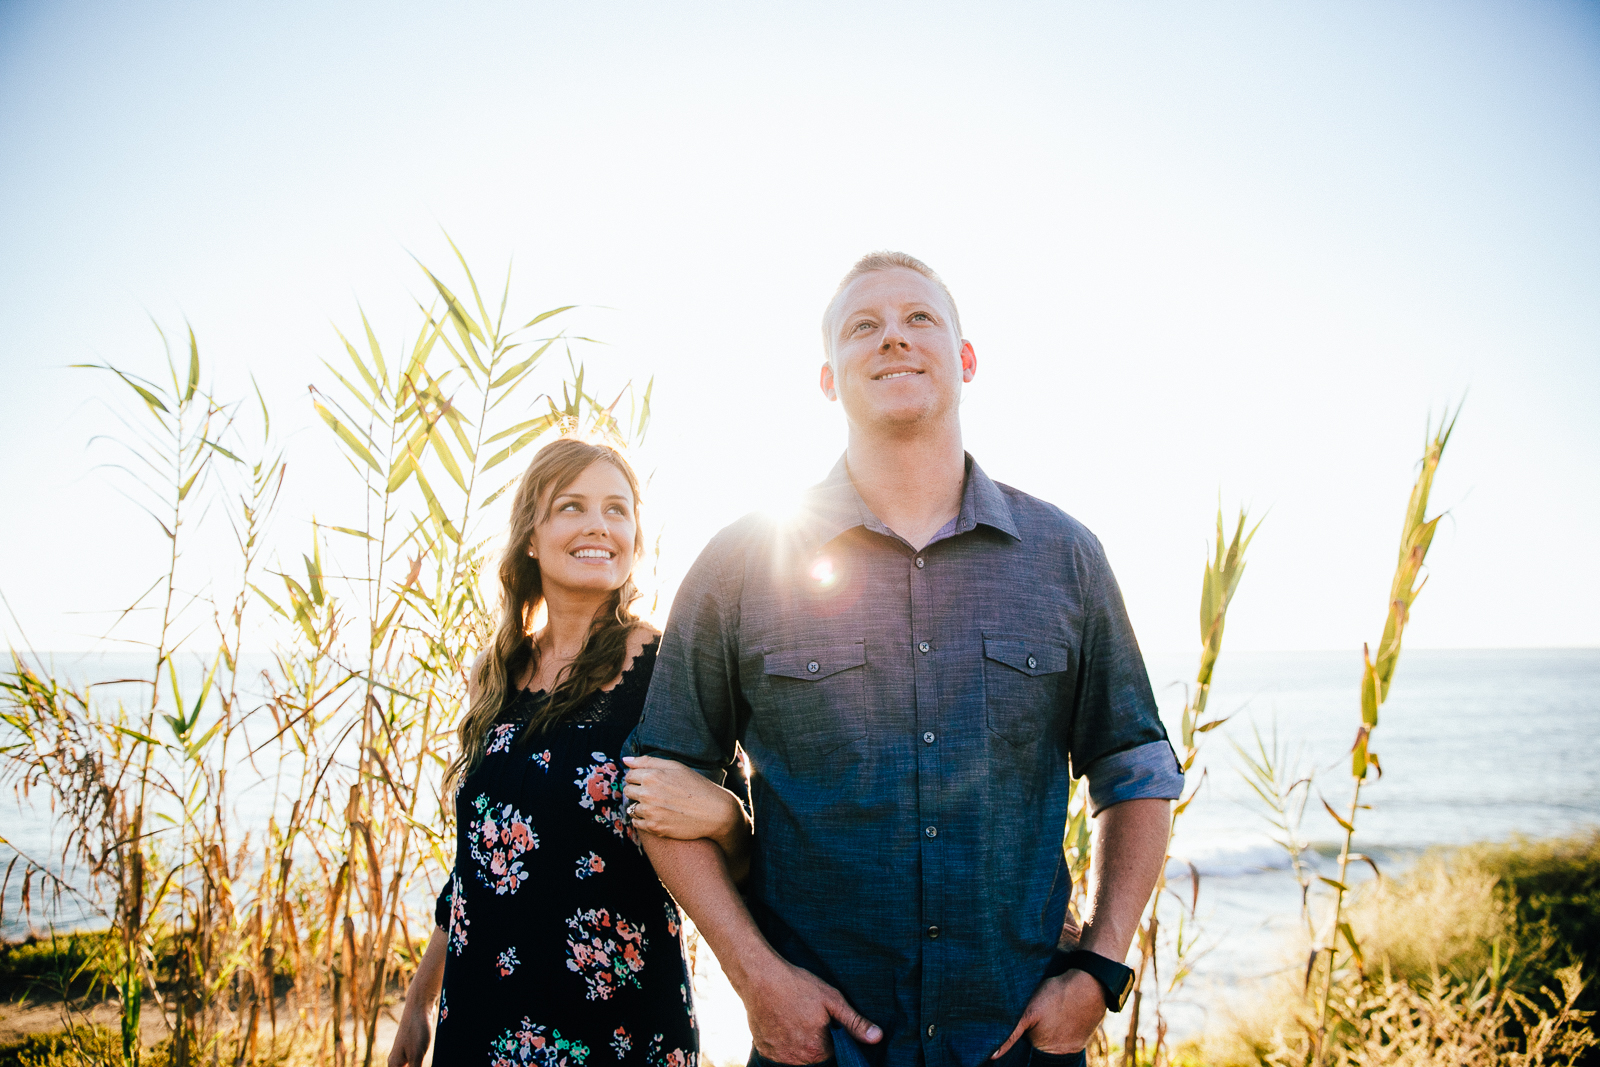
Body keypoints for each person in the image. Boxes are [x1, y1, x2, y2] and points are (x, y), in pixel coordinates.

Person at [623, 253, 1183, 1067]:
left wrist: (1100, 968)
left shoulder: (1066, 556)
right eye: (864, 327)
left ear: (965, 359)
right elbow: (661, 787)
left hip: (1018, 1042)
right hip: (815, 1051)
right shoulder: (743, 561)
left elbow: (1135, 772)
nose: (894, 338)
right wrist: (755, 980)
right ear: (827, 379)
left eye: (920, 318)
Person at [388, 437, 753, 1067]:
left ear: (636, 538)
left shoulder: (664, 667)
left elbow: (752, 851)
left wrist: (724, 817)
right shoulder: (497, 673)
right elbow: (474, 868)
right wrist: (419, 1006)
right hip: (479, 1016)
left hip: (613, 1024)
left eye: (617, 510)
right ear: (531, 534)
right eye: (572, 507)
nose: (599, 526)